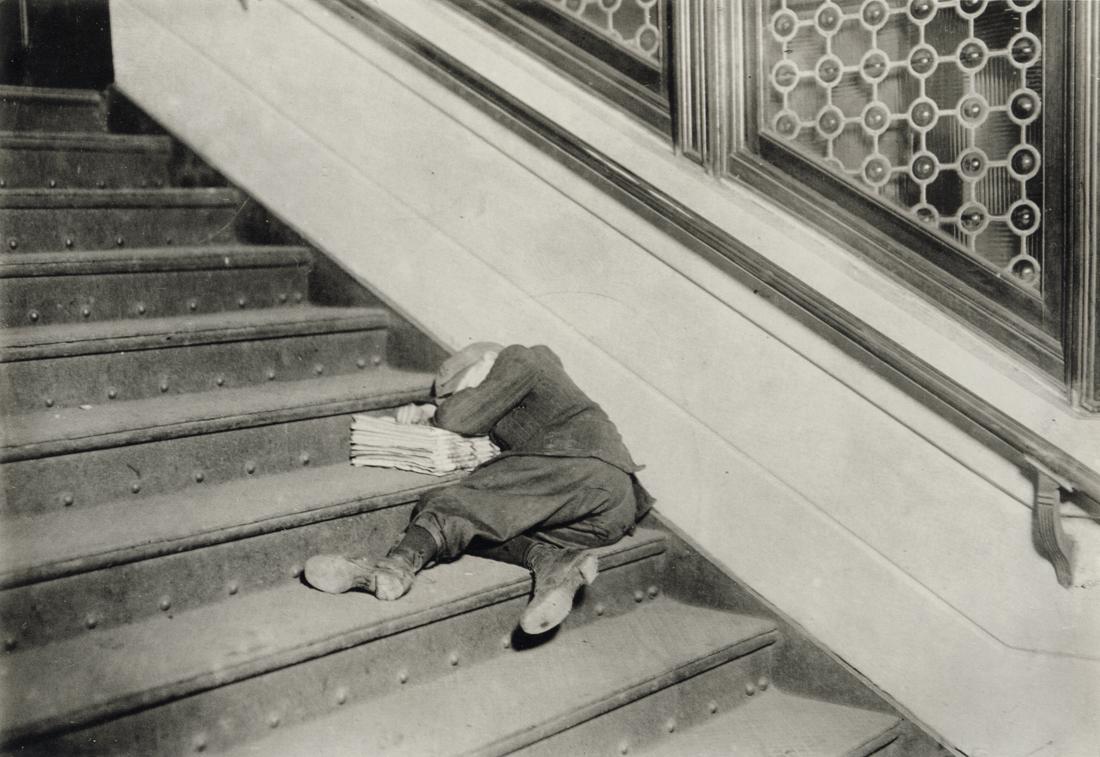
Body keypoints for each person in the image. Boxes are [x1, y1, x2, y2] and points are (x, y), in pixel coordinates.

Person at [305, 342, 653, 634]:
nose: (466, 397)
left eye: (463, 389)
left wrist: (432, 412)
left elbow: (459, 418)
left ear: (485, 363)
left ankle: (392, 568)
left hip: (581, 467)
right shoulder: (545, 395)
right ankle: (551, 562)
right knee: (477, 524)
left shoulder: (520, 357)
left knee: (453, 505)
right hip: (606, 516)